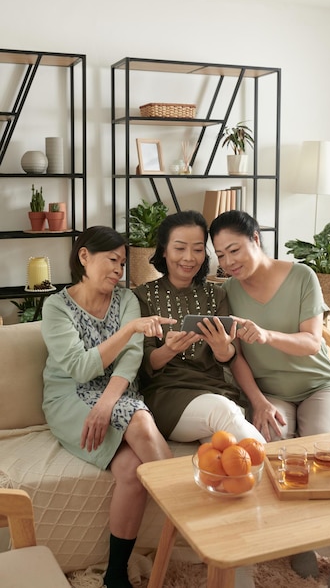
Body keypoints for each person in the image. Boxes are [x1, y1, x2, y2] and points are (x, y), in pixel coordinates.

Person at [210, 210, 330, 588]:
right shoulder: (228, 291)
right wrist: (258, 401)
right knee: (273, 449)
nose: (228, 263)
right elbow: (237, 358)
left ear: (255, 239)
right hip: (270, 391)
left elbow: (313, 342)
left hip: (317, 385)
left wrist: (268, 335)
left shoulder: (302, 276)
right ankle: (299, 539)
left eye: (234, 250)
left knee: (323, 453)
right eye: (220, 255)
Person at [41, 226, 176, 588]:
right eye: (111, 260)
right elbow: (81, 368)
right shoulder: (55, 306)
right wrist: (130, 329)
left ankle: (115, 576)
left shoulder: (125, 299)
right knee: (142, 423)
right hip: (70, 396)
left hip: (116, 392)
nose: (119, 270)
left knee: (132, 471)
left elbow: (131, 360)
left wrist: (107, 402)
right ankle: (192, 510)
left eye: (122, 262)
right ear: (84, 256)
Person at [133, 210, 265, 446]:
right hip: (166, 396)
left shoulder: (217, 294)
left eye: (197, 249)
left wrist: (222, 348)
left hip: (216, 391)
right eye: (180, 248)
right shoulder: (142, 296)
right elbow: (143, 364)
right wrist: (169, 350)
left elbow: (228, 357)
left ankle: (262, 476)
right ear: (164, 250)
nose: (189, 257)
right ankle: (276, 468)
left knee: (224, 448)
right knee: (223, 412)